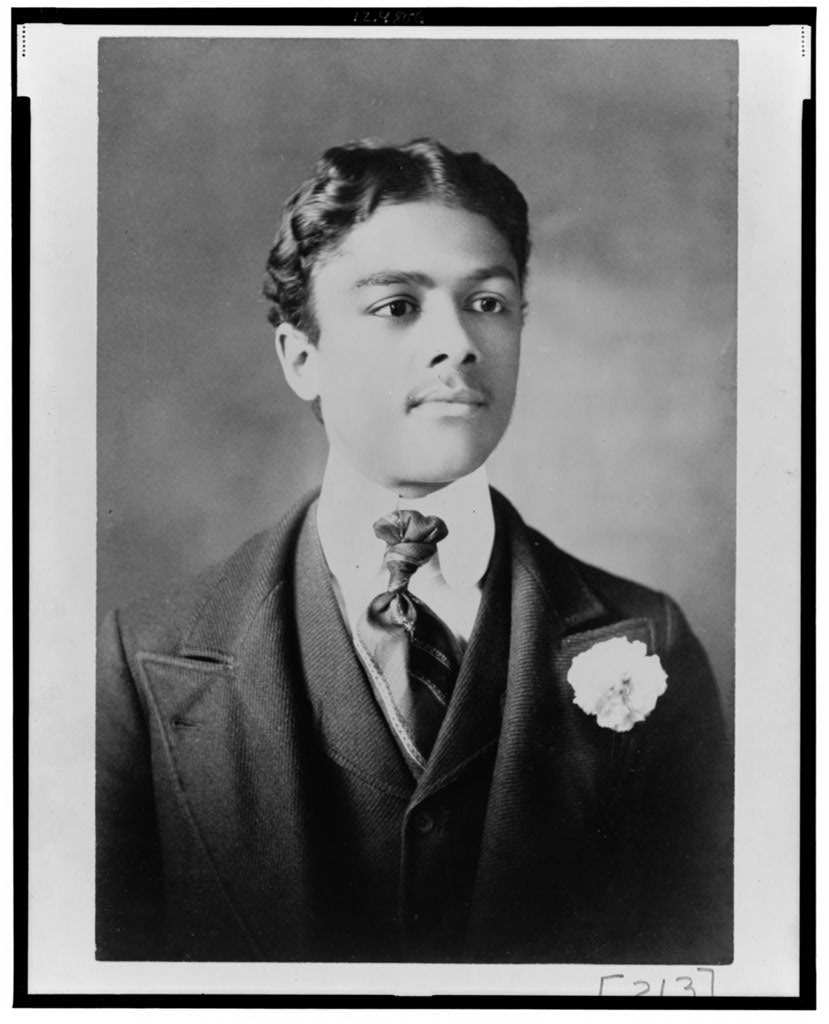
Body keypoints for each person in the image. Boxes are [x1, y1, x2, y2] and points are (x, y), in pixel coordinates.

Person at [96, 138, 733, 964]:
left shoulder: (648, 638)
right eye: (397, 305)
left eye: (490, 303)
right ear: (301, 358)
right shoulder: (146, 660)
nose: (460, 342)